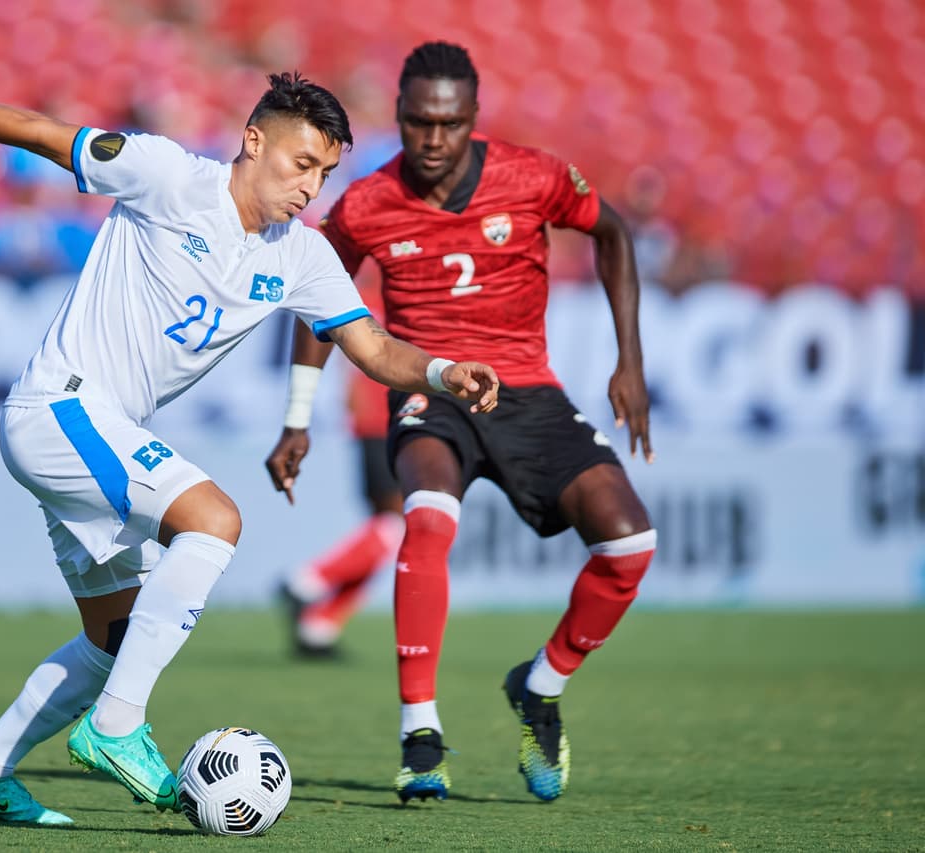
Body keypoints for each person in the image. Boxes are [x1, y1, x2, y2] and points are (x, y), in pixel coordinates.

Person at [0, 62, 499, 827]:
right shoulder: (167, 176)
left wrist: (446, 371)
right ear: (253, 141)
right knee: (215, 520)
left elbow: (375, 348)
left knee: (114, 638)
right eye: (300, 162)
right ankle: (118, 725)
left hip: (100, 434)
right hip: (61, 407)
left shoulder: (302, 255)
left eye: (323, 171)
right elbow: (43, 133)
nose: (309, 185)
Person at [265, 42, 657, 804]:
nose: (433, 139)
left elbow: (612, 232)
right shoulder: (368, 202)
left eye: (448, 123)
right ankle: (421, 735)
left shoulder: (533, 175)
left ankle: (539, 686)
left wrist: (628, 361)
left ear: (473, 118)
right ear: (402, 117)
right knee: (428, 516)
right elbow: (318, 296)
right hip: (430, 388)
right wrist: (297, 418)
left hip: (528, 391)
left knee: (631, 541)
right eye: (417, 122)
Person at [276, 282, 404, 658]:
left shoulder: (369, 294)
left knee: (393, 527)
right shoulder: (386, 296)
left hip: (378, 421)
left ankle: (320, 626)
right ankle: (308, 582)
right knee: (398, 524)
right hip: (390, 420)